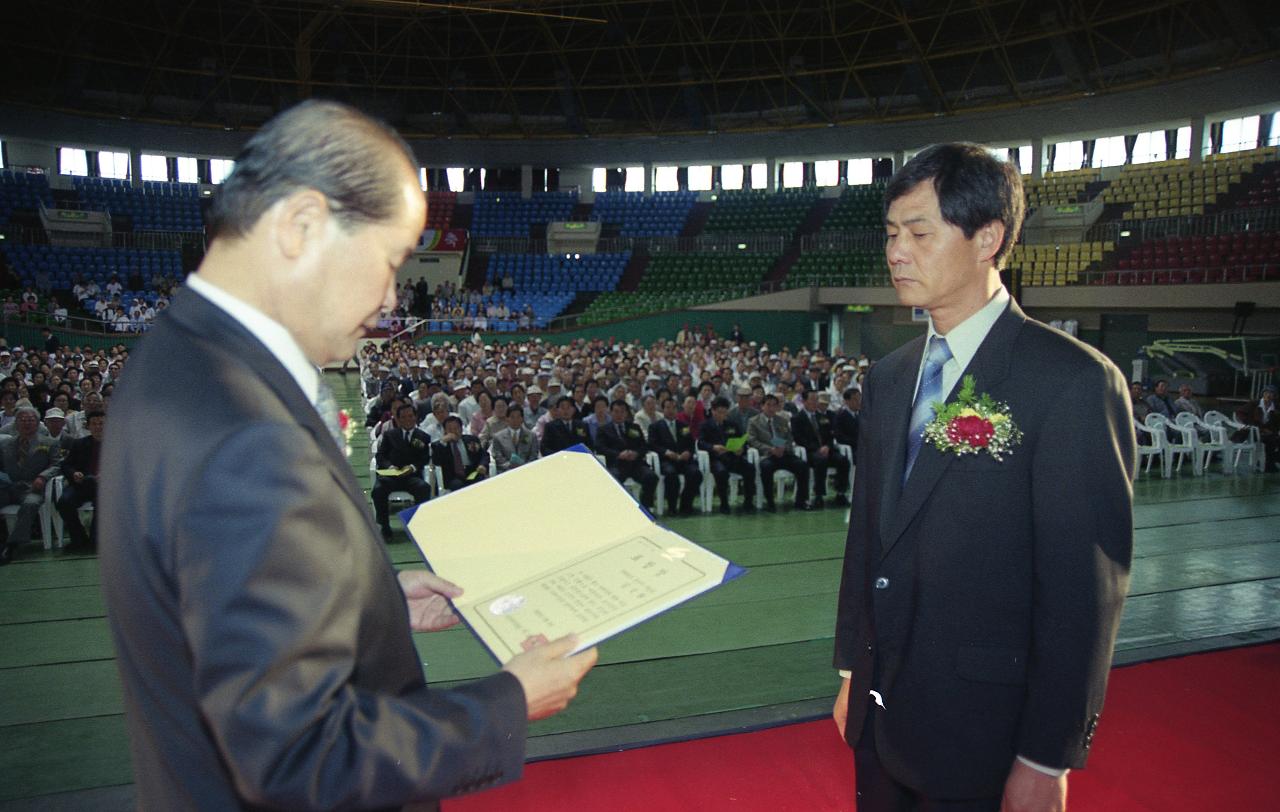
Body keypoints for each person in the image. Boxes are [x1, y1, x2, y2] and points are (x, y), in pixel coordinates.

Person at [97, 100, 595, 810]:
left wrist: (373, 600)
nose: (393, 296)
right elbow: (298, 757)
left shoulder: (177, 360)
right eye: (391, 261)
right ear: (301, 226)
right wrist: (508, 702)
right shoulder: (248, 438)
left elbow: (216, 608)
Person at [832, 143, 1134, 811]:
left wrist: (1045, 756)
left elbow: (1084, 592)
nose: (896, 252)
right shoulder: (888, 378)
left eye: (918, 232)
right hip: (882, 718)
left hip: (986, 732)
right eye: (890, 233)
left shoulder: (1070, 382)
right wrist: (855, 665)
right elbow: (869, 538)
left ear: (987, 238)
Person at [0, 407, 61, 564]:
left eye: (31, 420)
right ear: (16, 423)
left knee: (30, 504)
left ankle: (11, 545)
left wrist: (43, 476)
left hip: (33, 487)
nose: (27, 423)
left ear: (37, 423)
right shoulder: (6, 444)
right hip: (9, 487)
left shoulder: (50, 443)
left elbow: (56, 465)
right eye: (22, 420)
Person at [371, 403, 435, 542]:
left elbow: (424, 458)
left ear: (416, 417)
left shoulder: (423, 437)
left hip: (411, 476)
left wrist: (412, 467)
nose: (408, 419)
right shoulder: (389, 435)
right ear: (398, 420)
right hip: (391, 476)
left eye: (411, 416)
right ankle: (385, 526)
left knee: (423, 488)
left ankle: (418, 524)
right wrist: (390, 467)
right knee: (378, 490)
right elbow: (380, 456)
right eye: (404, 417)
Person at [746, 394, 811, 512]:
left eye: (774, 405)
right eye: (768, 405)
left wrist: (783, 448)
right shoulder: (754, 421)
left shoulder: (782, 420)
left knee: (802, 466)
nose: (771, 408)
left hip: (784, 453)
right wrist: (770, 449)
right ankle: (770, 501)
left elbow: (790, 438)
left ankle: (801, 500)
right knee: (766, 468)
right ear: (762, 406)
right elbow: (752, 440)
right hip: (767, 455)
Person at [594, 400, 658, 511]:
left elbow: (644, 446)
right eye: (616, 412)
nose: (619, 415)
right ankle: (619, 509)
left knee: (651, 477)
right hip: (616, 464)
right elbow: (600, 448)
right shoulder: (603, 430)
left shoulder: (634, 427)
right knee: (614, 479)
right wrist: (618, 454)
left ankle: (646, 507)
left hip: (636, 464)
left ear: (627, 413)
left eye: (622, 412)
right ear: (610, 412)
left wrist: (636, 453)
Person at [791, 390, 850, 508]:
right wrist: (817, 448)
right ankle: (819, 495)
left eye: (816, 399)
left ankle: (840, 492)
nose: (815, 402)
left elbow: (830, 435)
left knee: (843, 460)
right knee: (820, 461)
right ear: (804, 401)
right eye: (812, 399)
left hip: (826, 449)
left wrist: (827, 446)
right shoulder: (797, 418)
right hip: (810, 451)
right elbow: (798, 439)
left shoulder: (822, 417)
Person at [697, 396, 756, 514]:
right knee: (721, 472)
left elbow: (742, 440)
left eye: (725, 412)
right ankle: (724, 503)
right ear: (713, 411)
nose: (722, 415)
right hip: (716, 459)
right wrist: (713, 447)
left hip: (733, 457)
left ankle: (748, 501)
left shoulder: (732, 425)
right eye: (720, 412)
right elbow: (701, 443)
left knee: (750, 468)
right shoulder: (705, 425)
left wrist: (741, 449)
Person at [57, 409, 105, 551]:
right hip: (82, 484)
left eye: (101, 423)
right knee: (64, 502)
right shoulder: (79, 444)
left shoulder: (117, 446)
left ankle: (96, 540)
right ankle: (79, 538)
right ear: (88, 426)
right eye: (94, 424)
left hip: (106, 488)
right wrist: (74, 473)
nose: (98, 427)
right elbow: (66, 465)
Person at [647, 397, 702, 515]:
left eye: (673, 408)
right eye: (667, 408)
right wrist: (666, 452)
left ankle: (685, 504)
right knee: (671, 475)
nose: (671, 410)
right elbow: (652, 445)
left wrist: (688, 452)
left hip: (683, 460)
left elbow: (691, 443)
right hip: (666, 460)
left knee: (696, 474)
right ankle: (672, 506)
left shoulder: (684, 426)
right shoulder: (655, 427)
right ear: (662, 409)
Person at [432, 415, 489, 491]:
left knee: (480, 480)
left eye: (456, 428)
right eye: (449, 429)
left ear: (461, 429)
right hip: (453, 477)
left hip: (471, 472)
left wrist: (482, 465)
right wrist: (443, 442)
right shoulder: (440, 445)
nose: (453, 432)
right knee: (457, 485)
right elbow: (436, 461)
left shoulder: (471, 440)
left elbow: (484, 455)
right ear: (445, 431)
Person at [491, 404, 538, 472]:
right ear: (507, 419)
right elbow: (498, 458)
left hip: (527, 470)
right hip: (506, 472)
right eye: (512, 417)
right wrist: (510, 467)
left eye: (518, 417)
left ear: (522, 419)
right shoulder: (498, 437)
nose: (515, 420)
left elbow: (533, 456)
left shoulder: (531, 436)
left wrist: (525, 467)